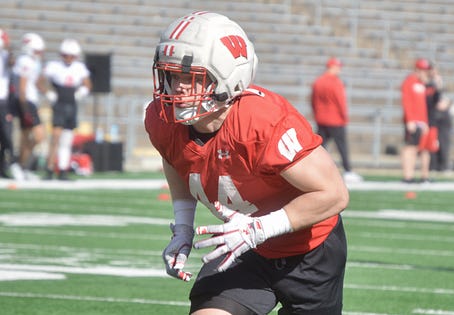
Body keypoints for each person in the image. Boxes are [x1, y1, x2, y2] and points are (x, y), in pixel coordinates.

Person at [144, 12, 349, 315]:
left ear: (226, 78)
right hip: (241, 247)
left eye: (191, 77)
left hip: (309, 250)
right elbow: (175, 159)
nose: (178, 88)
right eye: (172, 76)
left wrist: (258, 228)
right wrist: (183, 228)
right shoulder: (162, 119)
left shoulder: (260, 121)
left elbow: (333, 194)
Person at [43, 38, 91, 180]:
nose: (68, 58)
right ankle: (50, 168)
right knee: (56, 137)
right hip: (59, 102)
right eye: (66, 55)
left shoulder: (79, 68)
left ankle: (63, 169)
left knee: (67, 139)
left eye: (71, 56)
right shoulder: (54, 66)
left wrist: (81, 93)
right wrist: (48, 93)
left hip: (71, 103)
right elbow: (40, 81)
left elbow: (87, 84)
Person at [310, 56, 363, 183]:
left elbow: (313, 100)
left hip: (321, 119)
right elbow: (341, 101)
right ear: (332, 67)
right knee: (342, 146)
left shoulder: (318, 81)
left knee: (320, 147)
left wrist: (317, 114)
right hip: (335, 120)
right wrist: (344, 117)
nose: (339, 70)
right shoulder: (336, 82)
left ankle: (314, 169)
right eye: (338, 67)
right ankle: (348, 170)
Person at [10, 33, 46, 180]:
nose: (40, 54)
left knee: (30, 138)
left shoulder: (33, 61)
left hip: (31, 101)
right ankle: (19, 165)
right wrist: (25, 109)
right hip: (26, 102)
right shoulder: (25, 61)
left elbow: (35, 82)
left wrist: (48, 93)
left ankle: (22, 166)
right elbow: (23, 87)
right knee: (36, 136)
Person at [400, 58, 433, 183]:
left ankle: (412, 175)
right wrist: (410, 120)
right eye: (423, 70)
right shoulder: (409, 82)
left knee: (418, 149)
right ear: (417, 69)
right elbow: (407, 102)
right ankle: (408, 175)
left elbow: (423, 106)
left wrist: (424, 122)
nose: (425, 72)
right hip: (412, 121)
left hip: (421, 121)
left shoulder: (422, 84)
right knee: (410, 148)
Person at [425, 63, 451, 172]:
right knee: (431, 142)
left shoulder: (439, 83)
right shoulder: (427, 84)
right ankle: (433, 165)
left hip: (442, 117)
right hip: (432, 116)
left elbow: (445, 100)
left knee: (443, 141)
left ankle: (443, 165)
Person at [0, 28, 15, 178]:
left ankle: (3, 167)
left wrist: (6, 46)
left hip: (2, 102)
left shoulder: (4, 56)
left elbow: (12, 61)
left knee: (5, 135)